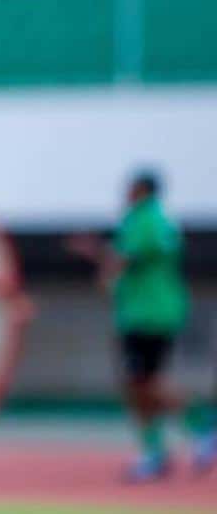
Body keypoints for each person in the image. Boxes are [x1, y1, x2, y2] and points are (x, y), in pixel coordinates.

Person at [67, 170, 214, 481]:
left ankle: (199, 429)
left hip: (145, 314)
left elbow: (118, 263)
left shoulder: (141, 220)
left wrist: (93, 252)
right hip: (158, 310)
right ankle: (158, 450)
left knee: (143, 382)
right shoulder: (162, 221)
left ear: (142, 190)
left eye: (130, 188)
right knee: (140, 383)